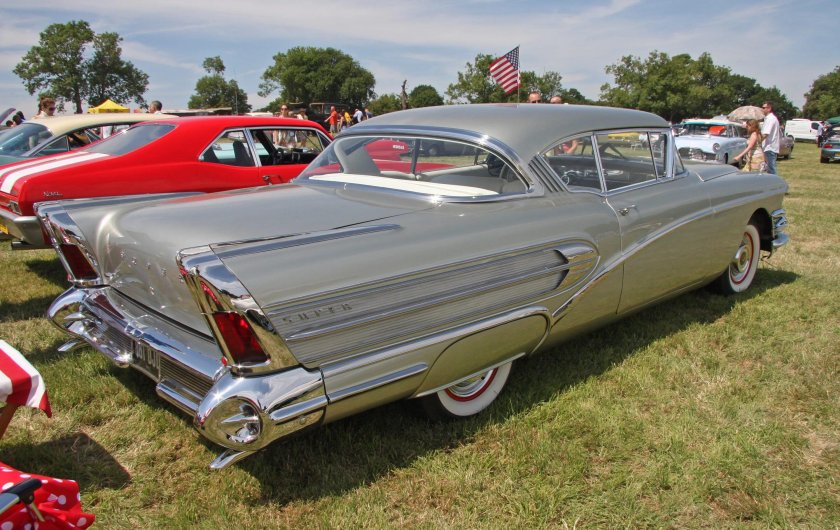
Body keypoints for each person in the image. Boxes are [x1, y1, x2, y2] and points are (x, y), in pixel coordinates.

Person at [760, 101, 780, 174]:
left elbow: (765, 134)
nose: (762, 109)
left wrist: (758, 141)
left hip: (770, 147)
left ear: (769, 108)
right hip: (769, 147)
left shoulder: (770, 119)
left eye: (764, 108)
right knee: (769, 169)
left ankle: (775, 184)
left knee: (771, 170)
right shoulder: (770, 118)